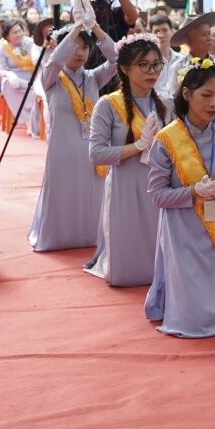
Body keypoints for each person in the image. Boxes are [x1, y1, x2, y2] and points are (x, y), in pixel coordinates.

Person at [144, 58, 215, 337]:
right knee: (191, 294)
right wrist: (194, 192)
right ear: (186, 94)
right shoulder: (166, 140)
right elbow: (157, 195)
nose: (214, 104)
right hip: (182, 228)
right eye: (206, 95)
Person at [28, 0, 118, 252]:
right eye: (74, 47)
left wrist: (94, 27)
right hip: (63, 147)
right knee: (63, 191)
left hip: (91, 147)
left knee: (92, 192)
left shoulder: (93, 77)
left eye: (85, 48)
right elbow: (55, 60)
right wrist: (77, 27)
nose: (80, 52)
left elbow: (116, 59)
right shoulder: (52, 78)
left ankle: (90, 235)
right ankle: (58, 237)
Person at [86, 33, 174, 286]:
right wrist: (137, 146)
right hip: (125, 182)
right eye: (143, 65)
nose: (152, 71)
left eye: (156, 64)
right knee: (128, 241)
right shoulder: (108, 104)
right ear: (125, 68)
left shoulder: (166, 103)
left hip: (159, 181)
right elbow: (96, 154)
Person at [164, 12, 215, 101]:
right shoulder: (178, 67)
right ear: (189, 40)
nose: (209, 38)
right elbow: (173, 98)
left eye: (209, 34)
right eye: (204, 35)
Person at [0, 19, 43, 136]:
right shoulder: (3, 48)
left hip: (32, 77)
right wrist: (10, 75)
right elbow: (1, 69)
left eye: (20, 31)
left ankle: (32, 122)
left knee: (33, 90)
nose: (19, 34)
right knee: (8, 84)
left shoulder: (31, 43)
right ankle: (27, 120)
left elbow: (39, 62)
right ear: (7, 36)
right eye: (15, 32)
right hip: (14, 80)